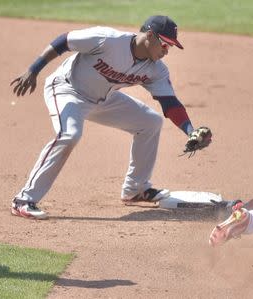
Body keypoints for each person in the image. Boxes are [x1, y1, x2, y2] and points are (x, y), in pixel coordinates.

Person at [10, 15, 209, 220]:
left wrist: (190, 131)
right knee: (69, 134)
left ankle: (136, 189)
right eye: (165, 44)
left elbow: (170, 103)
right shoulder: (108, 39)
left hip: (103, 99)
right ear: (150, 35)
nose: (167, 51)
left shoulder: (156, 69)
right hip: (67, 89)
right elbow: (65, 41)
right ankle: (23, 200)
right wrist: (33, 70)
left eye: (171, 47)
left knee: (150, 122)